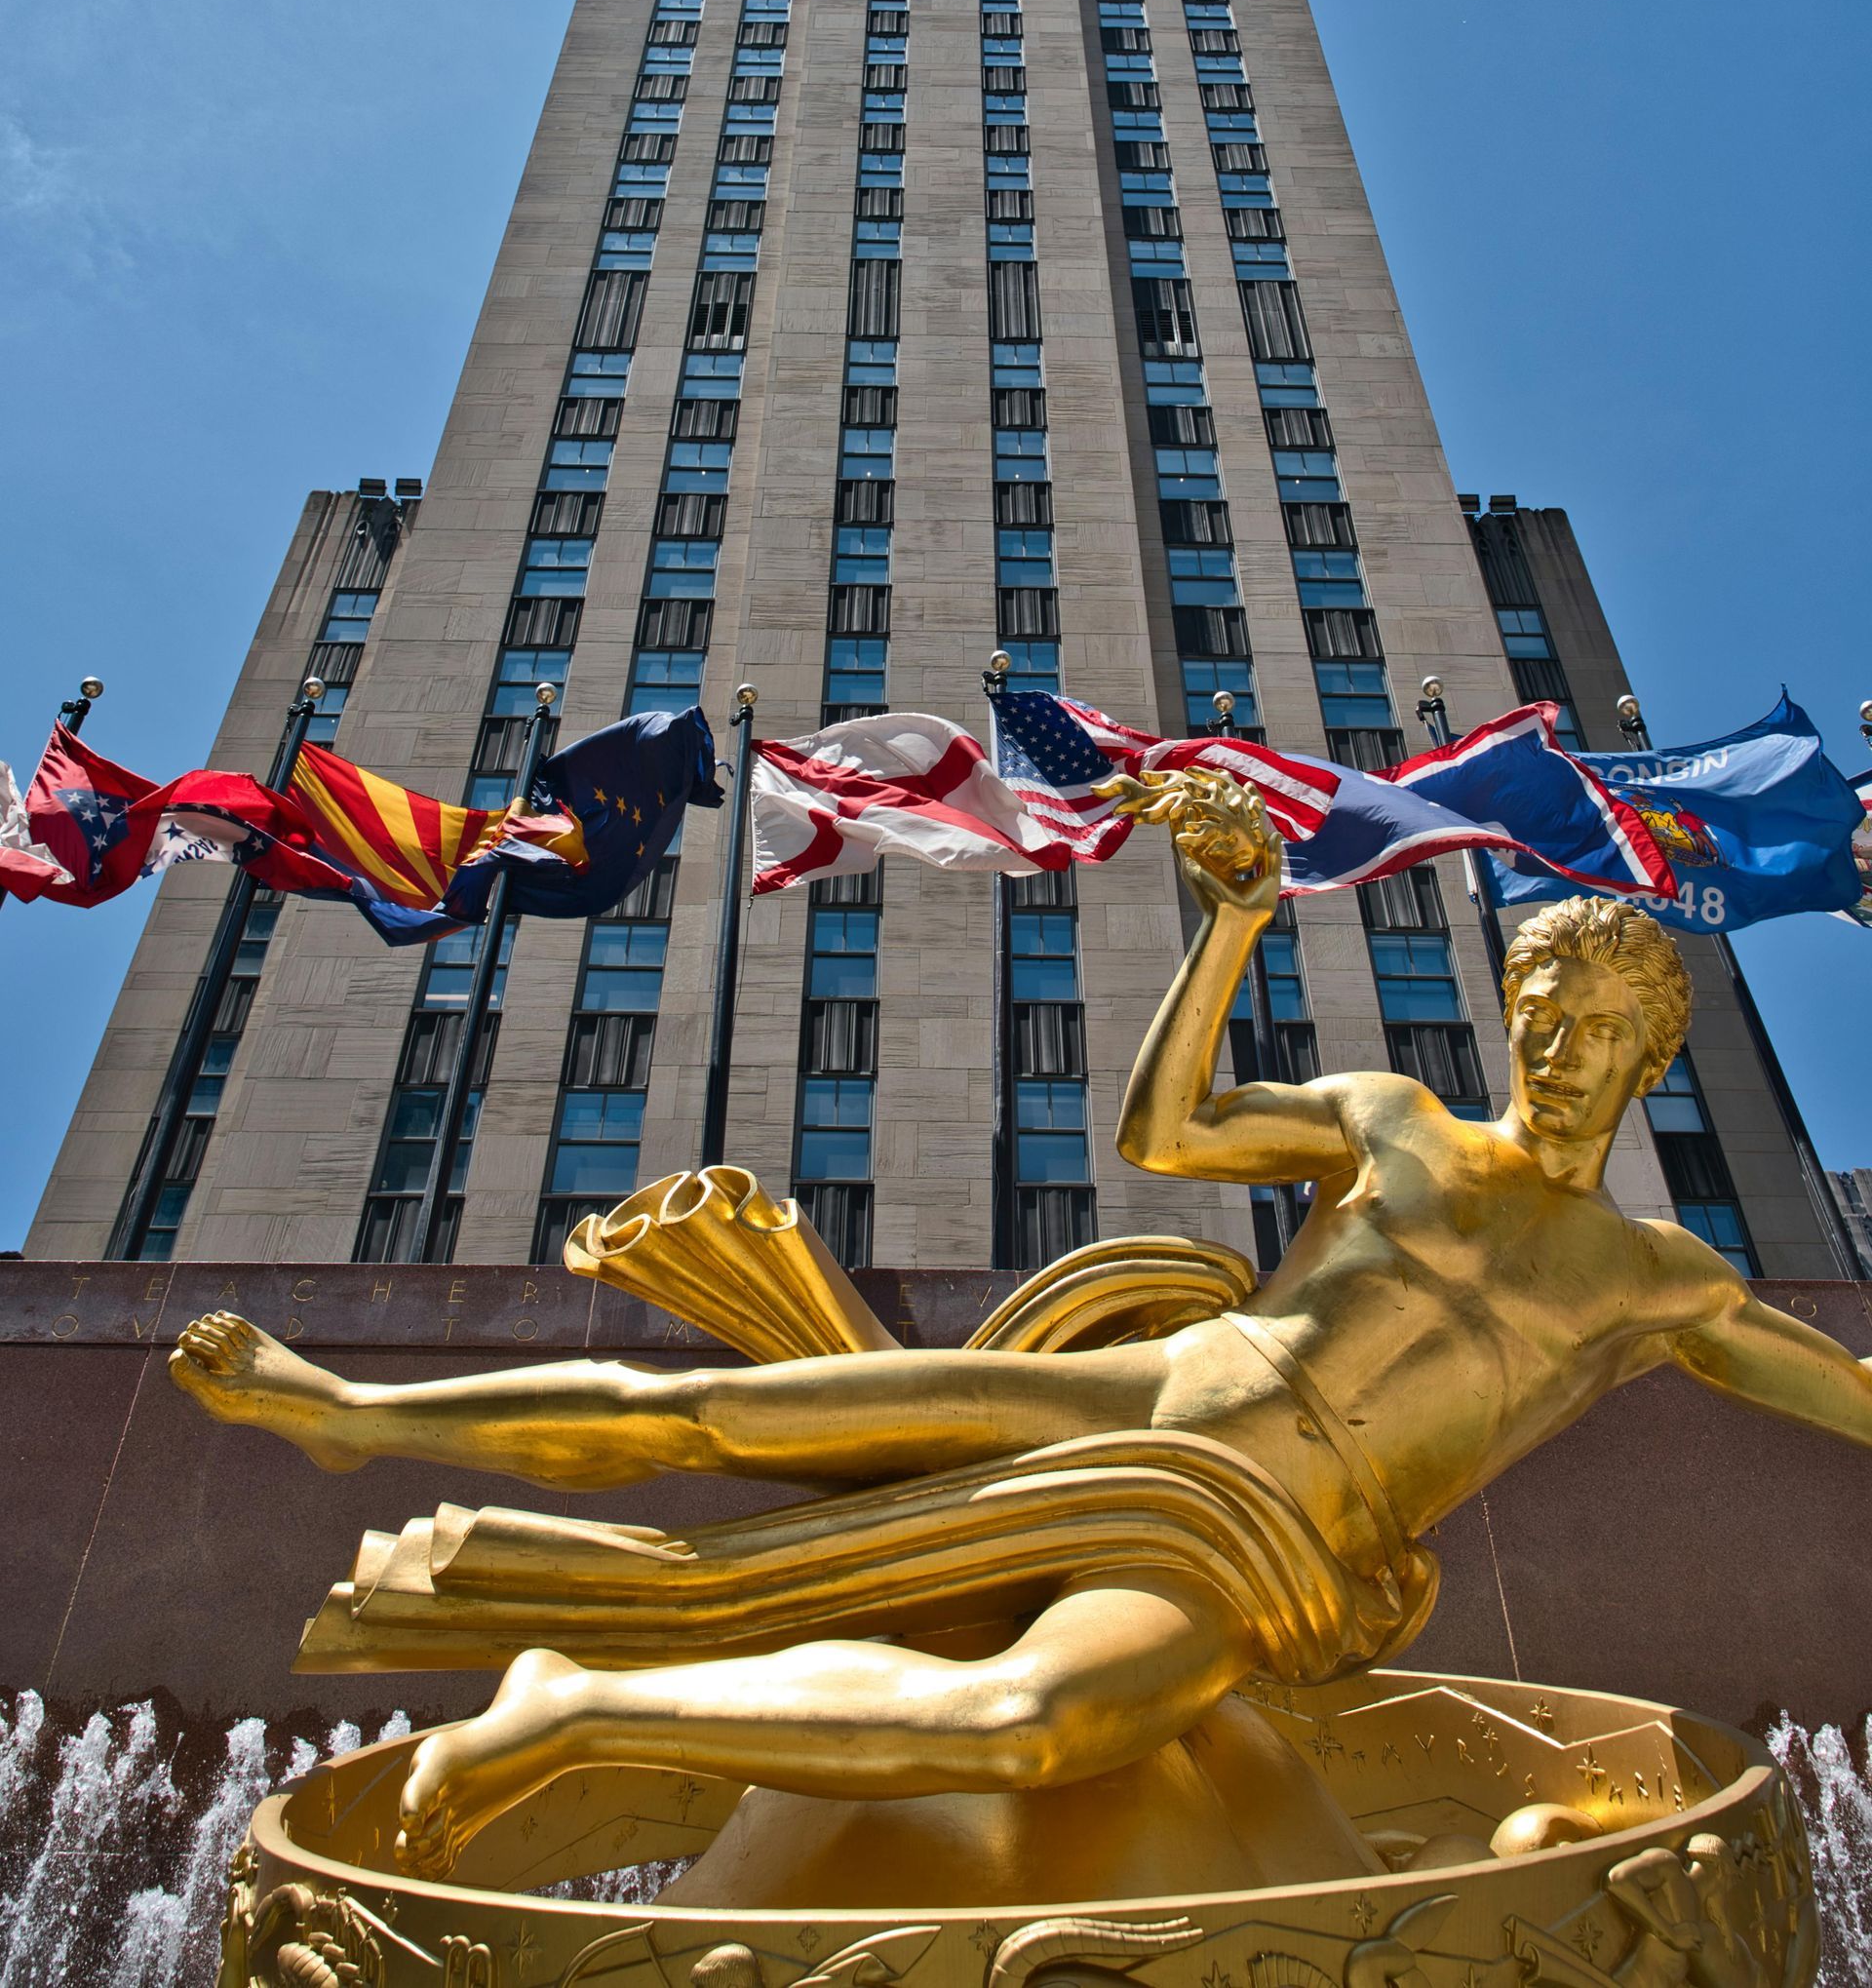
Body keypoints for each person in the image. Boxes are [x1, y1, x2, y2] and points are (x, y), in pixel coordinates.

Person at [171, 766, 1872, 1879]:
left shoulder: (1665, 1279)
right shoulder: (1395, 1119)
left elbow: (1846, 1388)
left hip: (1266, 1542)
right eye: (1545, 1013)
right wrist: (1230, 925)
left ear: (1655, 1062)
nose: (1562, 1049)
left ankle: (577, 1703)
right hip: (1165, 1385)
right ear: (1511, 1015)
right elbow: (1169, 1134)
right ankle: (349, 1407)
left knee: (1033, 1723)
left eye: (1598, 1031)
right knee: (732, 1419)